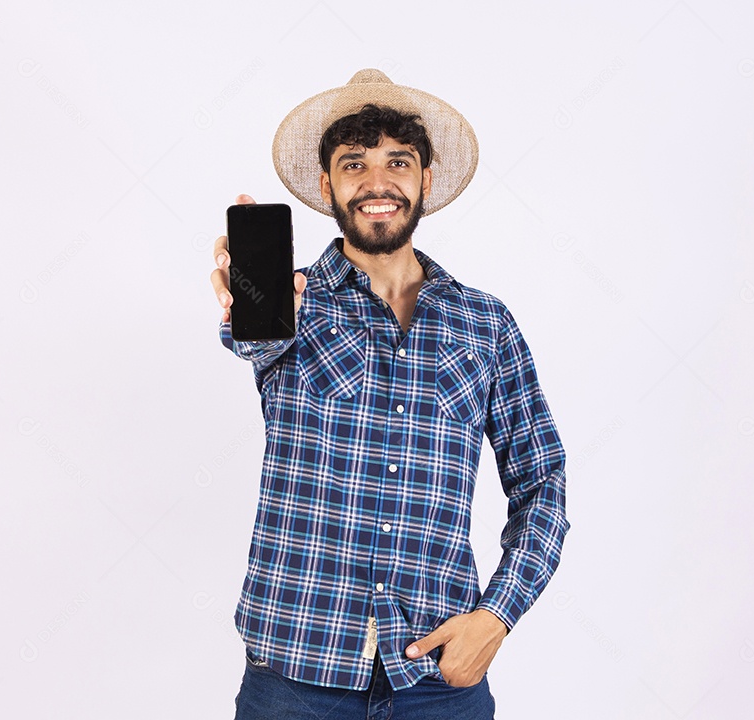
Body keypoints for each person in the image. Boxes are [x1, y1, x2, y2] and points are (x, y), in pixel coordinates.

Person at [210, 69, 570, 720]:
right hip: (293, 679)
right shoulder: (291, 305)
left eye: (397, 161)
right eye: (354, 163)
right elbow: (252, 343)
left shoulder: (486, 325)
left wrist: (497, 616)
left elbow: (542, 482)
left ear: (426, 179)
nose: (377, 182)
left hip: (437, 684)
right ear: (327, 186)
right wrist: (250, 310)